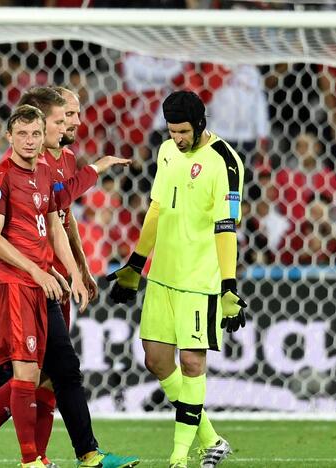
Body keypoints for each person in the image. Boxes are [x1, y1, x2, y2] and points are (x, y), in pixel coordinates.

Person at [0, 88, 138, 468]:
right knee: (9, 372)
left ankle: (71, 454)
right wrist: (41, 268)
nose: (73, 123)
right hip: (7, 278)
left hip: (44, 278)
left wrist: (78, 269)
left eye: (74, 116)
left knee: (54, 371)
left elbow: (59, 220)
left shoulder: (55, 165)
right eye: (65, 117)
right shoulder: (5, 173)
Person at [105, 90, 245, 468]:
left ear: (200, 125)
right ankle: (212, 439)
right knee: (156, 360)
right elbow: (156, 208)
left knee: (193, 364)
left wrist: (229, 286)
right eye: (172, 131)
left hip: (200, 280)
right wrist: (135, 264)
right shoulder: (167, 151)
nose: (178, 138)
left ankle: (179, 458)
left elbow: (226, 226)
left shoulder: (225, 162)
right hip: (162, 275)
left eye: (183, 131)